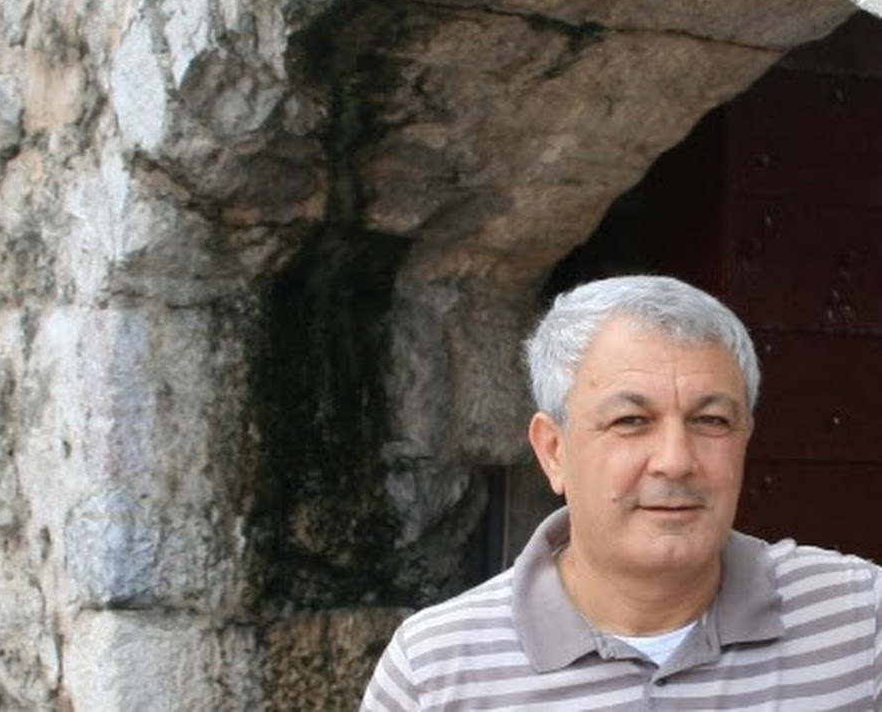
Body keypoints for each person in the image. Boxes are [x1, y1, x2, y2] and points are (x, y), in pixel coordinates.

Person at [360, 274, 882, 710]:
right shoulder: (435, 673)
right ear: (553, 451)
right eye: (631, 421)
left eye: (711, 420)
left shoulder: (860, 620)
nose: (675, 460)